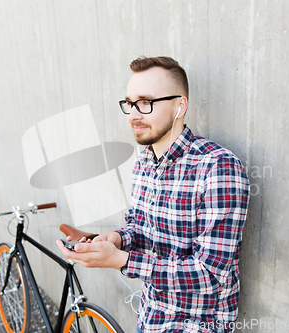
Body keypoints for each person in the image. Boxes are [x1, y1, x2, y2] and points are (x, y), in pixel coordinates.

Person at [57, 56, 250, 332]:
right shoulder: (145, 160)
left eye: (146, 103)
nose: (134, 114)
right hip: (150, 318)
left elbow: (210, 276)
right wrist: (117, 239)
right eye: (129, 104)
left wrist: (121, 260)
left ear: (179, 106)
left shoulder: (218, 167)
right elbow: (140, 225)